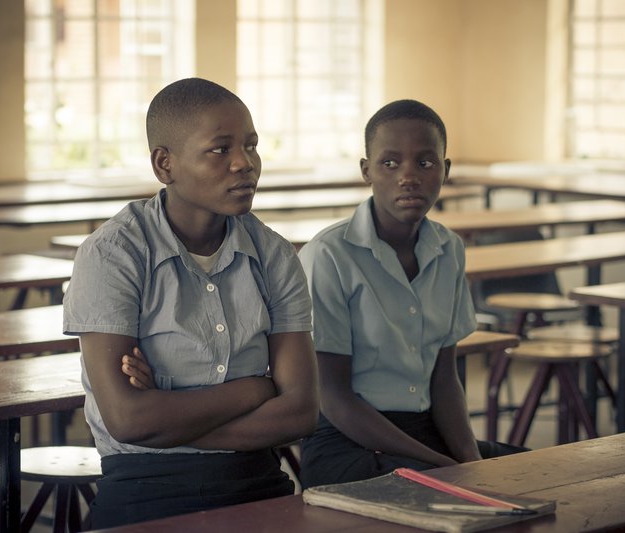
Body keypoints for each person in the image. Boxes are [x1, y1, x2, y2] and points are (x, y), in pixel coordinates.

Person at [63, 77, 319, 528]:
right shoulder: (112, 253)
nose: (245, 164)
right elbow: (126, 420)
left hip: (256, 480)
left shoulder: (275, 255)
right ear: (165, 164)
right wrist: (255, 389)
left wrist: (167, 416)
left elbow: (300, 412)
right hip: (144, 485)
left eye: (252, 146)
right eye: (221, 149)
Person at [295, 99, 524, 489]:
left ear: (445, 170)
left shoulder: (448, 249)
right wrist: (439, 465)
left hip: (425, 429)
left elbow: (444, 377)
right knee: (450, 491)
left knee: (543, 472)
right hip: (347, 442)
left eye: (425, 162)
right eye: (390, 163)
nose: (408, 176)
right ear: (367, 170)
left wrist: (468, 458)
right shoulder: (329, 255)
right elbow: (332, 397)